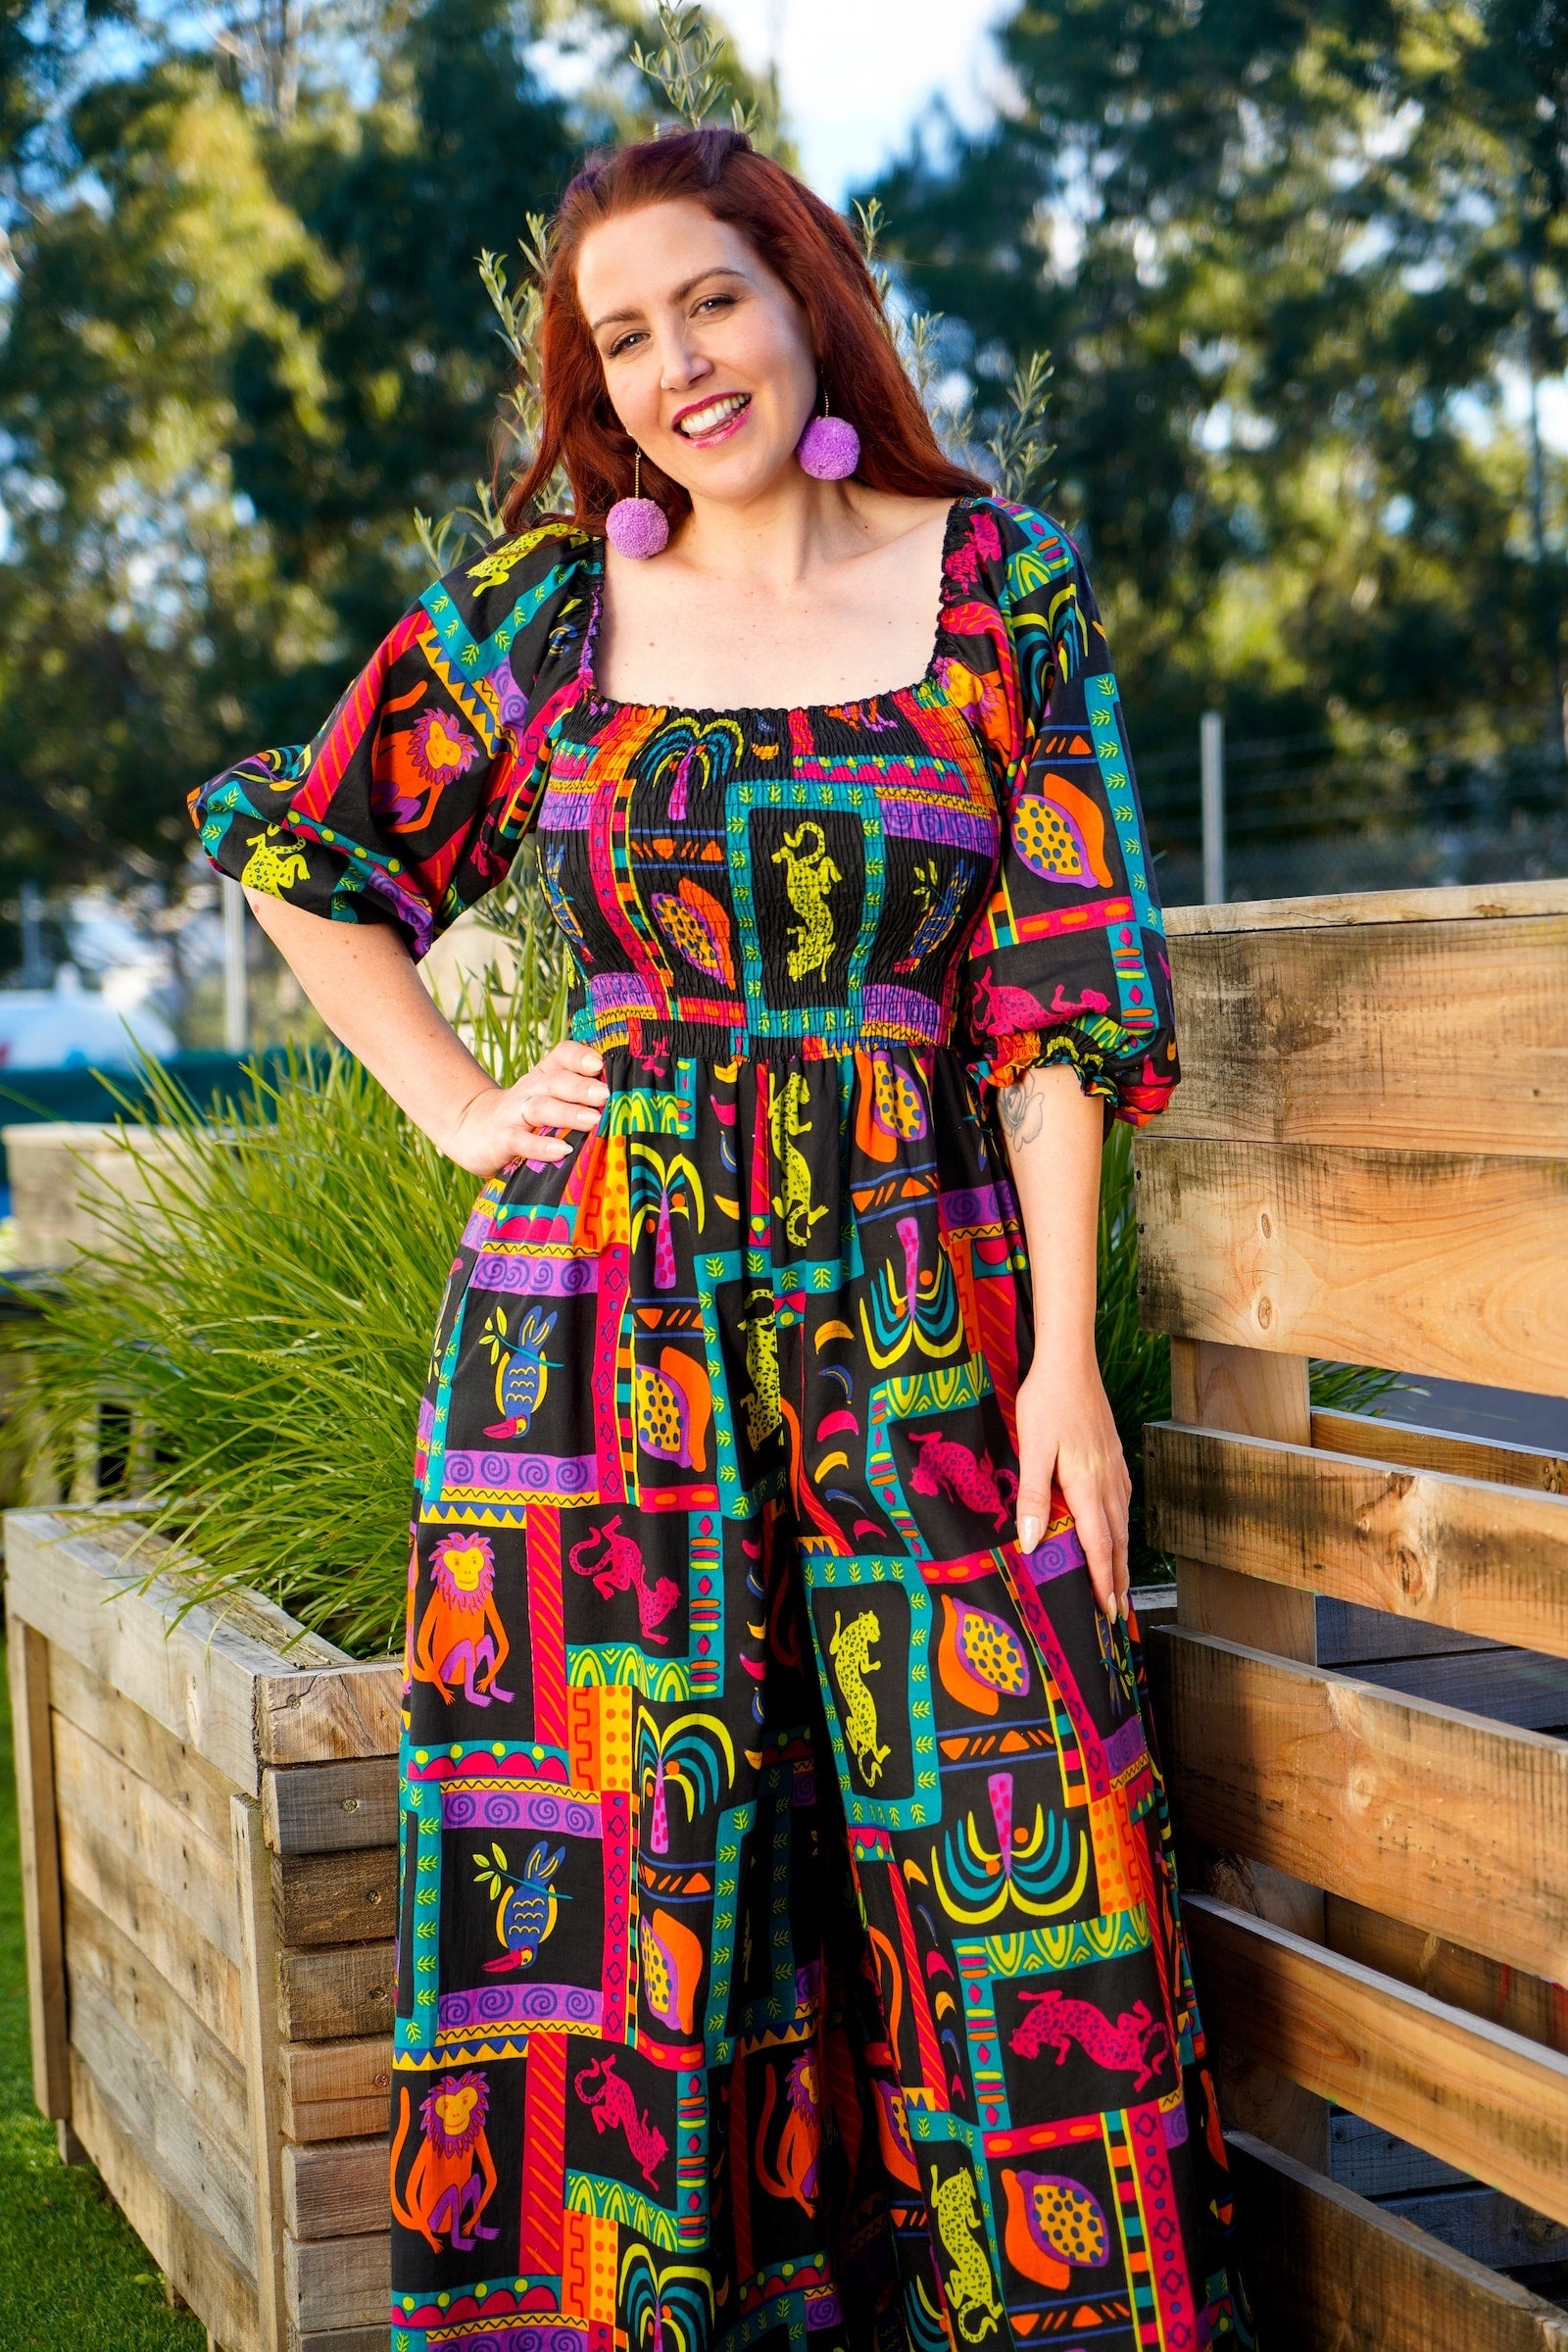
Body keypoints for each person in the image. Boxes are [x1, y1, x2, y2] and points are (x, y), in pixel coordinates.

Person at [192, 122, 1251, 2352]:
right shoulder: (545, 611)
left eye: (709, 300)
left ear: (801, 294)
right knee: (615, 1883)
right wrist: (467, 1109)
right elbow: (310, 863)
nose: (679, 364)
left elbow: (1060, 997)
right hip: (599, 1333)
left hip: (927, 1301)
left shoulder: (1000, 586)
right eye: (622, 338)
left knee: (1017, 1853)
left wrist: (1066, 1360)